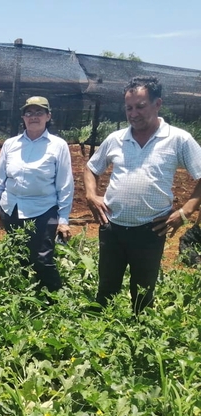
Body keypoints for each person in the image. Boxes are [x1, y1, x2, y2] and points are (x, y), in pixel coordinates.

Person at [84, 76, 201, 314]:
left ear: (158, 104)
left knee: (143, 292)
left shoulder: (178, 139)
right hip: (112, 226)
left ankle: (138, 339)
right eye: (128, 108)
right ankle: (97, 337)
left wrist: (186, 210)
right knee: (106, 287)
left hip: (151, 229)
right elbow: (91, 168)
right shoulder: (116, 138)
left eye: (140, 106)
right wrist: (91, 195)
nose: (133, 113)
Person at [0, 96, 74, 295]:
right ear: (23, 117)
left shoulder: (58, 146)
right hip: (11, 209)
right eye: (29, 113)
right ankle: (24, 297)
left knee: (42, 258)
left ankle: (56, 301)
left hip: (42, 210)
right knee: (18, 256)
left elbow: (65, 185)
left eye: (39, 112)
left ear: (48, 116)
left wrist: (63, 219)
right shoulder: (10, 144)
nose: (33, 117)